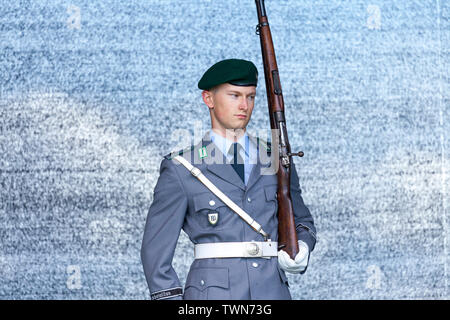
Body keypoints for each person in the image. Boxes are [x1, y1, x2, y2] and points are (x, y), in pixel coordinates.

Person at [141, 58, 316, 300]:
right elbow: (155, 252)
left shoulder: (274, 157)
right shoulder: (182, 168)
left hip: (272, 292)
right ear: (208, 99)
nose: (244, 105)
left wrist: (303, 245)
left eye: (251, 96)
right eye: (234, 95)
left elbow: (301, 219)